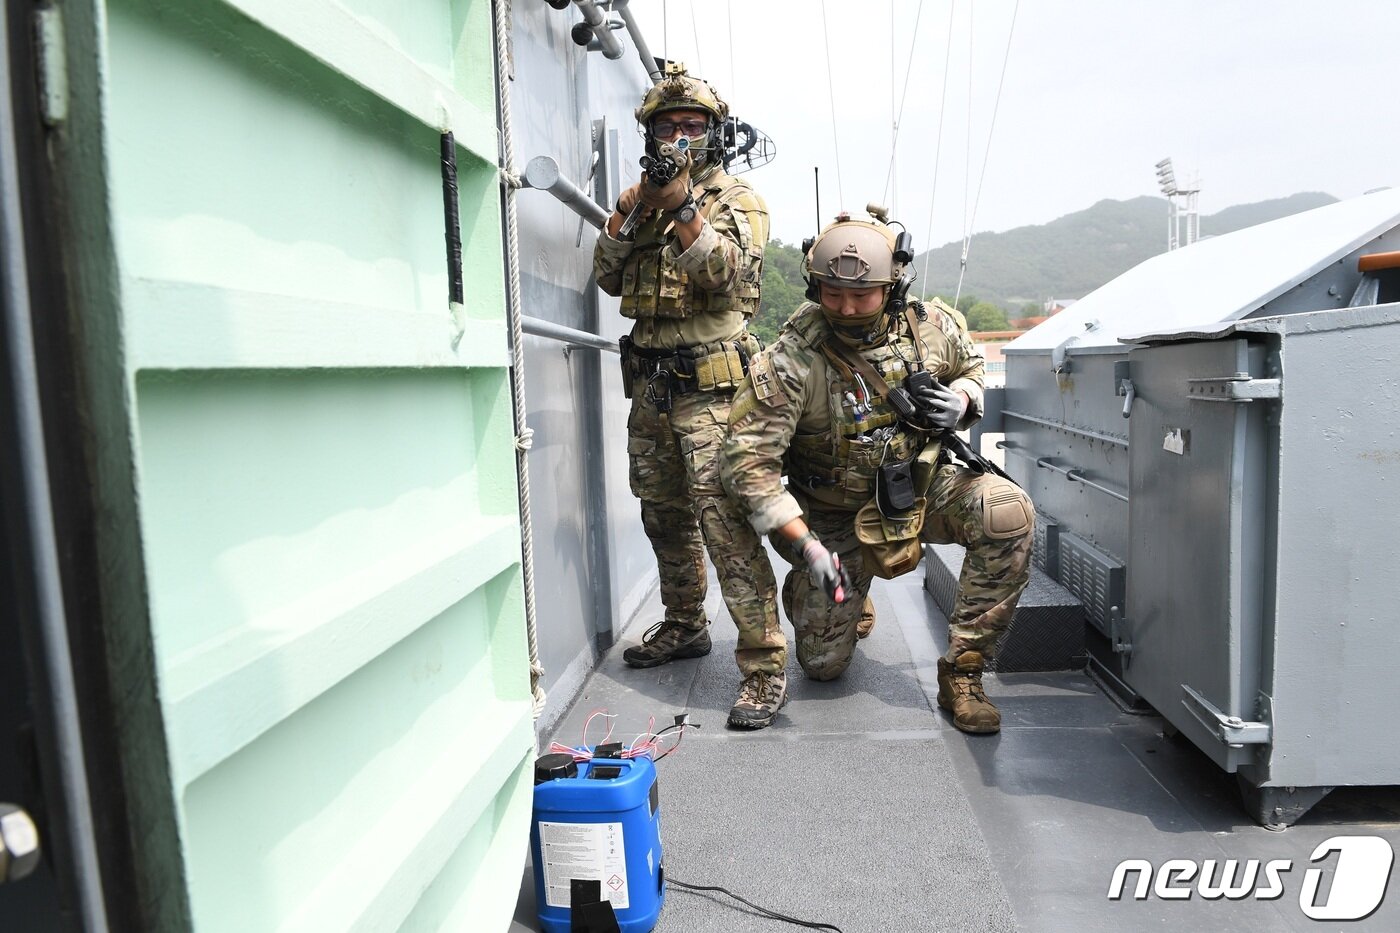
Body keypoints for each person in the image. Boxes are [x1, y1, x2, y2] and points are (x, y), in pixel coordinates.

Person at [720, 207, 1035, 734]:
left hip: (920, 488)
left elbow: (972, 366)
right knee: (821, 668)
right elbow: (749, 469)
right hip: (833, 515)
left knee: (1007, 513)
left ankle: (964, 671)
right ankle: (833, 590)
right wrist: (809, 548)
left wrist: (964, 399)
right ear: (812, 285)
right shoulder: (792, 360)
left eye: (861, 295)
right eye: (831, 293)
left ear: (892, 286)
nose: (845, 308)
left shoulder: (932, 329)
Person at [592, 64, 787, 729]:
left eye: (691, 126)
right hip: (650, 385)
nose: (678, 136)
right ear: (649, 131)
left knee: (725, 525)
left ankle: (763, 667)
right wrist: (634, 208)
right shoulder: (639, 201)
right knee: (663, 514)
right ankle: (684, 624)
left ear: (712, 134)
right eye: (667, 125)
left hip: (712, 391)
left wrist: (681, 208)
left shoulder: (738, 199)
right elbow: (607, 278)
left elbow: (724, 277)